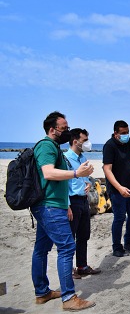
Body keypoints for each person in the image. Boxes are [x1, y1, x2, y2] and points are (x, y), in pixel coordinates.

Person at [32, 111, 95, 311]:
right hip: (50, 206)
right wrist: (77, 173)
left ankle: (42, 292)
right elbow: (48, 173)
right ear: (52, 130)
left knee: (41, 249)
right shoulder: (46, 146)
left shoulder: (53, 147)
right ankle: (69, 298)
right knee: (67, 247)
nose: (67, 130)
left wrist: (80, 181)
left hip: (51, 204)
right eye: (64, 128)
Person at [65, 128, 101, 279]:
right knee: (70, 237)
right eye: (84, 140)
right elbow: (63, 183)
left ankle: (82, 266)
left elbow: (83, 177)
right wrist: (66, 205)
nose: (87, 143)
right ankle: (70, 269)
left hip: (83, 199)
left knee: (83, 235)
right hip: (72, 201)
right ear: (75, 141)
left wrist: (88, 183)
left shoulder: (82, 157)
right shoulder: (65, 158)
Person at [103, 120, 130, 257]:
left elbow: (129, 162)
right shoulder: (109, 146)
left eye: (128, 132)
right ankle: (117, 247)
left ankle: (128, 242)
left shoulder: (129, 142)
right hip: (116, 189)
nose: (126, 135)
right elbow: (107, 170)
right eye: (123, 133)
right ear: (116, 133)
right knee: (119, 217)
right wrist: (119, 188)